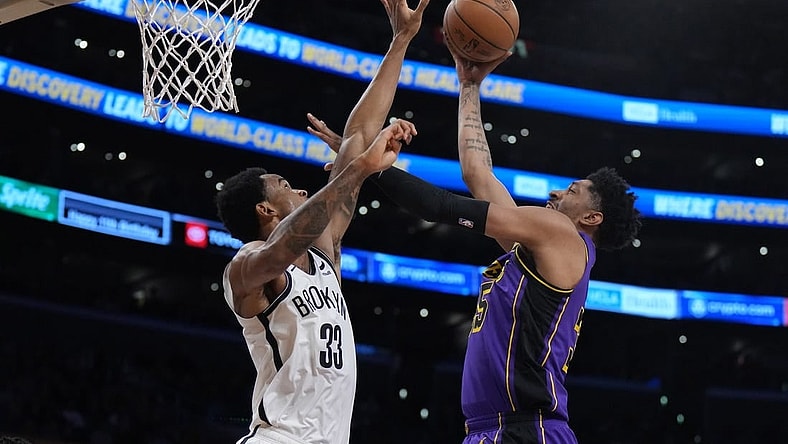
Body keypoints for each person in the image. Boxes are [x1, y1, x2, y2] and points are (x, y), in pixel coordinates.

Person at [307, 57, 642, 443]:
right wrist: (469, 86)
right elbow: (477, 174)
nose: (554, 193)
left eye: (571, 191)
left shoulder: (561, 235)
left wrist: (367, 167)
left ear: (593, 218)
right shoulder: (542, 245)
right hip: (492, 428)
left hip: (528, 429)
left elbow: (441, 207)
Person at [216, 0, 429, 442]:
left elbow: (358, 137)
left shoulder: (324, 250)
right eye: (283, 185)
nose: (298, 188)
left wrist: (401, 41)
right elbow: (282, 249)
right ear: (265, 210)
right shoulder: (245, 268)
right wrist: (356, 170)